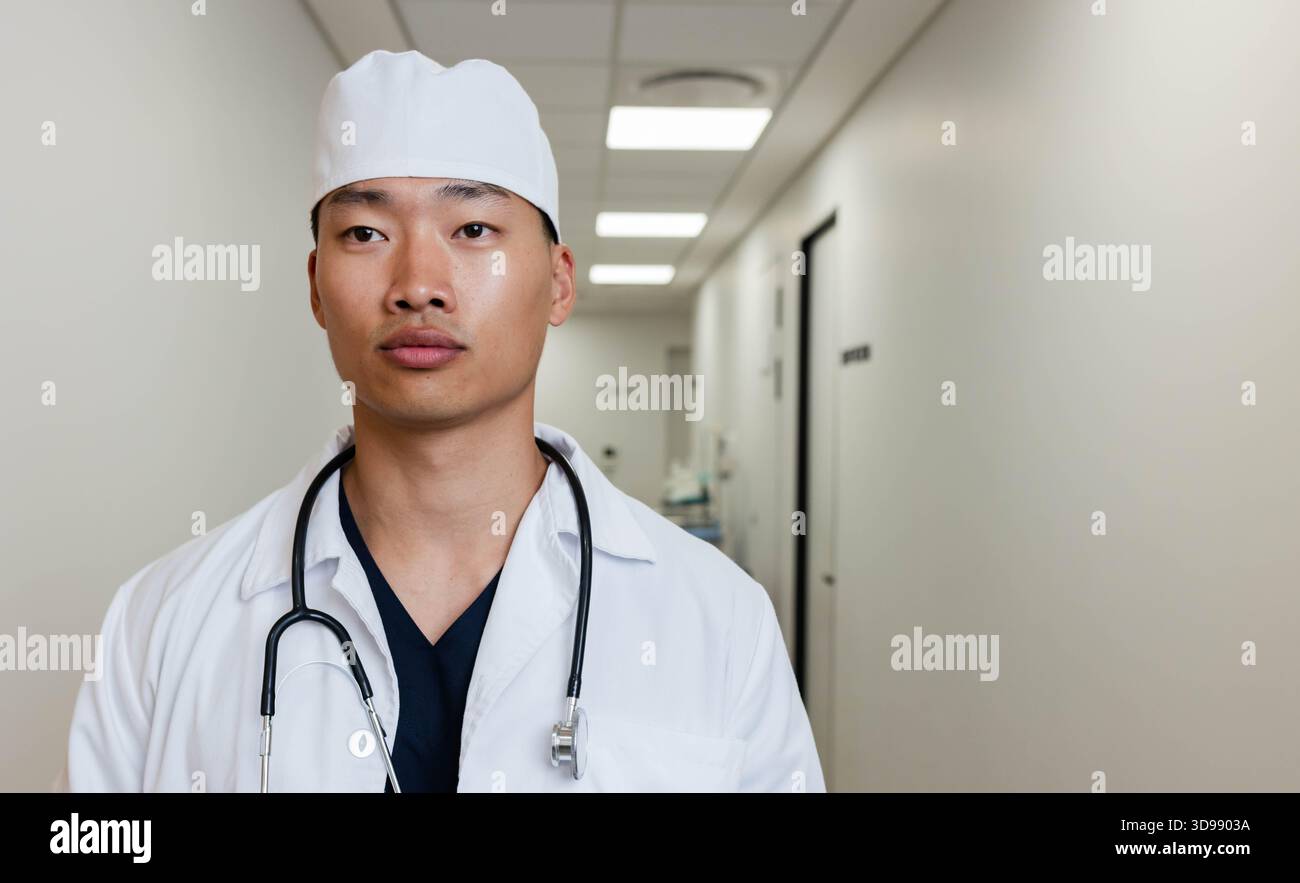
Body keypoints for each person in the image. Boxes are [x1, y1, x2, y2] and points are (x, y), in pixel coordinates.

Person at [57, 49, 824, 793]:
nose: (418, 284)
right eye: (366, 233)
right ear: (318, 287)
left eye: (473, 231)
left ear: (558, 283)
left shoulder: (718, 620)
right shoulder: (163, 622)